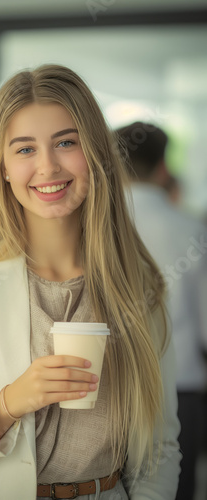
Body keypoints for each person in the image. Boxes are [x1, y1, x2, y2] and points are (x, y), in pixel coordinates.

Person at [0, 65, 181, 500]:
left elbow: (160, 450)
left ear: (97, 154)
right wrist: (8, 404)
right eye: (24, 149)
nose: (47, 166)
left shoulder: (138, 287)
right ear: (3, 168)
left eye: (66, 142)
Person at [116, 121, 207, 500]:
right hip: (183, 390)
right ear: (163, 167)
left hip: (114, 391)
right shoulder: (192, 230)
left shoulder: (93, 226)